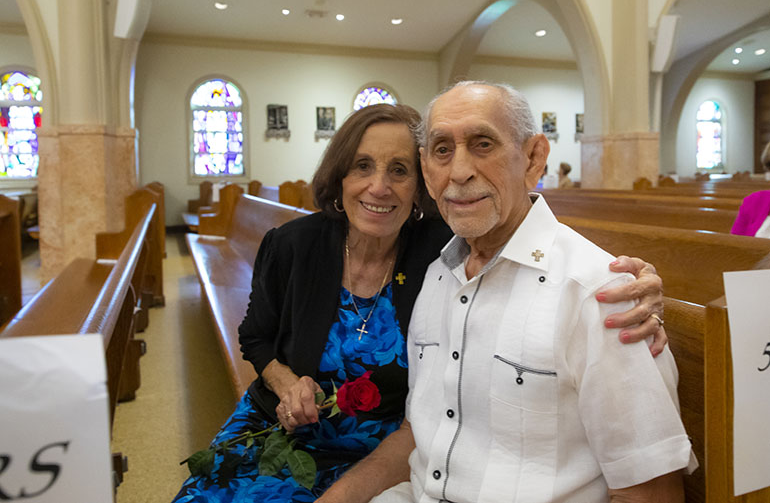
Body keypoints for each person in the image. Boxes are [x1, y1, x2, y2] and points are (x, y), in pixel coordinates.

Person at [172, 102, 668, 502]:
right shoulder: (294, 245)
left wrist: (636, 281)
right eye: (362, 166)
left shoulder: (443, 249)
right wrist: (285, 383)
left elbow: (531, 248)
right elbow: (256, 335)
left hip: (377, 444)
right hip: (283, 424)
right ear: (339, 177)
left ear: (420, 185)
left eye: (399, 170)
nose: (379, 186)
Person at [317, 82, 696, 503]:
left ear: (533, 158)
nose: (459, 171)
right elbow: (420, 433)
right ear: (426, 168)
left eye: (483, 144)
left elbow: (650, 492)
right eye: (442, 149)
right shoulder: (437, 275)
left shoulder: (598, 296)